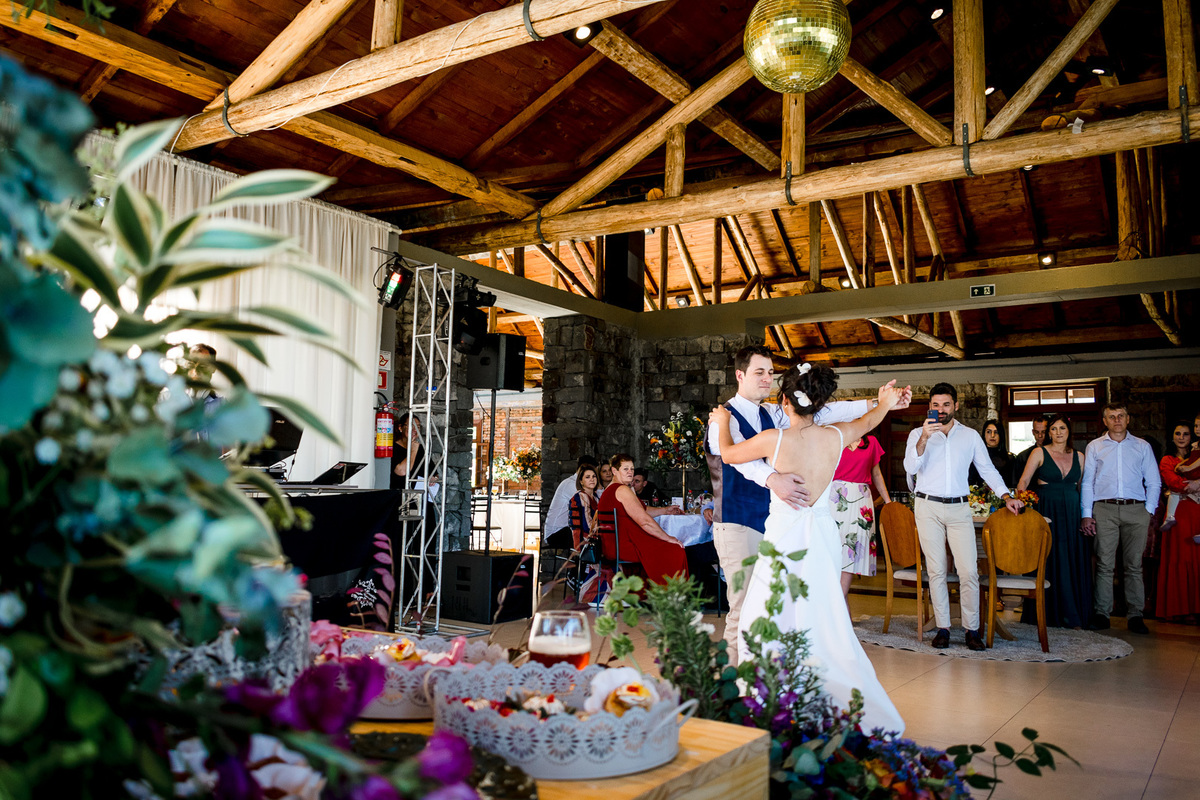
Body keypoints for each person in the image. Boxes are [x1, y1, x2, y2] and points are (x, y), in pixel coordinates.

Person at [711, 363, 907, 734]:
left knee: (770, 613)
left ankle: (772, 697)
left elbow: (728, 453)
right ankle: (826, 695)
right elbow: (873, 418)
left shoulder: (774, 439)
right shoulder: (837, 435)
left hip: (784, 536)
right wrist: (884, 401)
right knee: (823, 615)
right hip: (822, 536)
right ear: (819, 404)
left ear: (785, 400)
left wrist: (722, 420)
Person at [904, 382, 1023, 651]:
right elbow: (910, 466)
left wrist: (1006, 496)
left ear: (956, 406)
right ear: (930, 407)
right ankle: (943, 628)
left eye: (946, 404)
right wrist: (924, 436)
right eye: (936, 405)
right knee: (936, 570)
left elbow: (988, 469)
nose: (941, 410)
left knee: (968, 570)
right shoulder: (917, 434)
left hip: (959, 508)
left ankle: (972, 630)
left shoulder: (969, 436)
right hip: (927, 507)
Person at [1080, 403, 1161, 634]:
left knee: (1134, 565)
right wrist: (1087, 514)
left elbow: (1153, 481)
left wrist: (1149, 510)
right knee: (1105, 564)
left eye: (1121, 416)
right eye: (1112, 417)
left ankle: (1135, 615)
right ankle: (1102, 613)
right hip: (1104, 509)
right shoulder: (1094, 446)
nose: (1117, 420)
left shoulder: (1142, 446)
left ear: (1128, 419)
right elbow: (1088, 482)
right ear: (1105, 421)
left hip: (1136, 510)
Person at [1016, 414, 1091, 628]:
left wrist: (1086, 514)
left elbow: (1081, 486)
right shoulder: (1039, 452)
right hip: (1047, 511)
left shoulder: (1080, 456)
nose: (1058, 433)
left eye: (1062, 428)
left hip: (1072, 513)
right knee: (1049, 558)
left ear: (1069, 431)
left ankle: (1072, 614)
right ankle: (1045, 613)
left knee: (1070, 559)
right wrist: (1022, 508)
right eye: (1054, 429)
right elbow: (1023, 481)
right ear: (1048, 432)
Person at [595, 454, 687, 586]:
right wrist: (668, 538)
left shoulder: (611, 489)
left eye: (631, 469)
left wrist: (665, 510)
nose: (630, 472)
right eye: (625, 469)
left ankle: (650, 593)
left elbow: (641, 510)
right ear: (614, 471)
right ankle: (670, 596)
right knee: (675, 549)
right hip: (623, 546)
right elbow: (644, 521)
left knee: (669, 546)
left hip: (612, 545)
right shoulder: (621, 490)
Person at [831, 434, 891, 600]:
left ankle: (840, 598)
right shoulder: (833, 436)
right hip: (834, 499)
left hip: (861, 502)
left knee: (852, 549)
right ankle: (837, 602)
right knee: (833, 548)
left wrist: (888, 502)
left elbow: (877, 474)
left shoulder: (871, 442)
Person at [1156, 420, 1200, 622]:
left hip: (1196, 511)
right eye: (1178, 433)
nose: (1182, 437)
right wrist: (1192, 486)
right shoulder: (1167, 460)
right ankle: (1178, 607)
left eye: (1186, 434)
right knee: (1179, 556)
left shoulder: (1197, 456)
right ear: (1172, 436)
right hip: (1178, 514)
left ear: (1192, 437)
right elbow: (1172, 482)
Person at [543, 455, 599, 549]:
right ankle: (584, 561)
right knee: (594, 539)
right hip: (557, 533)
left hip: (569, 529)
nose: (593, 477)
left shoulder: (585, 486)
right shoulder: (571, 485)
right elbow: (587, 505)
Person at [970, 420, 1013, 488]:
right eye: (989, 432)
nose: (992, 436)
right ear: (984, 434)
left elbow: (1012, 484)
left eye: (996, 432)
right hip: (979, 496)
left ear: (1001, 435)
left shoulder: (1010, 458)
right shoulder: (974, 457)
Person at [568, 466, 600, 549]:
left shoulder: (596, 497)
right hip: (585, 541)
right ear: (581, 481)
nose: (592, 479)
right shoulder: (580, 497)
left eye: (594, 476)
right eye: (587, 477)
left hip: (595, 536)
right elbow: (587, 525)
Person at [390, 413, 425, 490]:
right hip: (398, 496)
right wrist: (413, 450)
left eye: (418, 427)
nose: (415, 430)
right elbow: (401, 471)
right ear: (400, 428)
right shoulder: (392, 448)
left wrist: (433, 478)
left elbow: (433, 472)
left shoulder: (421, 448)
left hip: (418, 496)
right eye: (411, 426)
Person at [1011, 416, 1050, 485]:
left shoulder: (1055, 454)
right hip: (1029, 494)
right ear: (1033, 432)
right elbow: (1016, 483)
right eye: (1037, 432)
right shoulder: (1022, 457)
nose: (1040, 436)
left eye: (1043, 432)